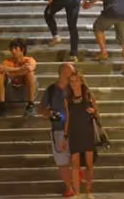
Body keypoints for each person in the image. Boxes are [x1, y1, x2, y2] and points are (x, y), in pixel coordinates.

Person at [40, 62, 77, 197]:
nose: (73, 74)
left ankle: (75, 185)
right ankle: (69, 187)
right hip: (58, 130)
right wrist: (50, 113)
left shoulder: (76, 87)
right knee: (62, 162)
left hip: (76, 129)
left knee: (76, 160)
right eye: (70, 71)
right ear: (62, 72)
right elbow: (42, 109)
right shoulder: (51, 90)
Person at [63, 71, 98, 198]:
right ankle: (76, 193)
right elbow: (67, 118)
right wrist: (65, 136)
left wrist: (93, 111)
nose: (73, 84)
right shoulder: (67, 99)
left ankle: (89, 191)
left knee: (89, 164)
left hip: (87, 132)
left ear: (81, 81)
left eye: (76, 80)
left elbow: (97, 115)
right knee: (74, 163)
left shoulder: (89, 95)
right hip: (74, 133)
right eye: (71, 81)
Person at [0, 38, 37, 118]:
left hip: (25, 90)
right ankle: (2, 104)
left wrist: (12, 72)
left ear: (22, 49)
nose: (13, 51)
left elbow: (29, 68)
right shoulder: (7, 61)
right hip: (11, 88)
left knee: (30, 74)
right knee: (0, 74)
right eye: (11, 49)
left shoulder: (29, 60)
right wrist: (19, 69)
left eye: (15, 48)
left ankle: (31, 104)